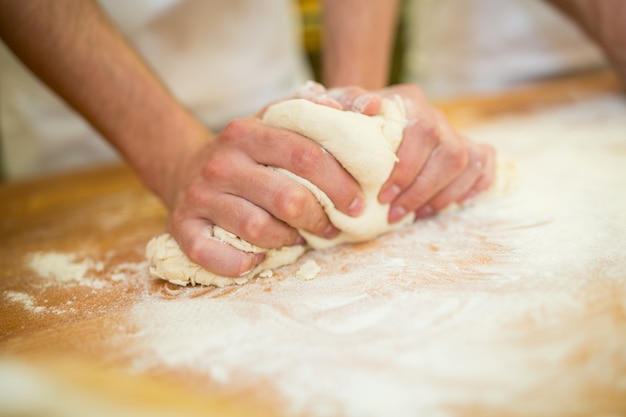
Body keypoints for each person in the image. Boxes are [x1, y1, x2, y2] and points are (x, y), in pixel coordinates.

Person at [0, 1, 622, 278]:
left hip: (260, 80)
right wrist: (175, 157)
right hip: (80, 123)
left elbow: (343, 128)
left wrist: (359, 120)